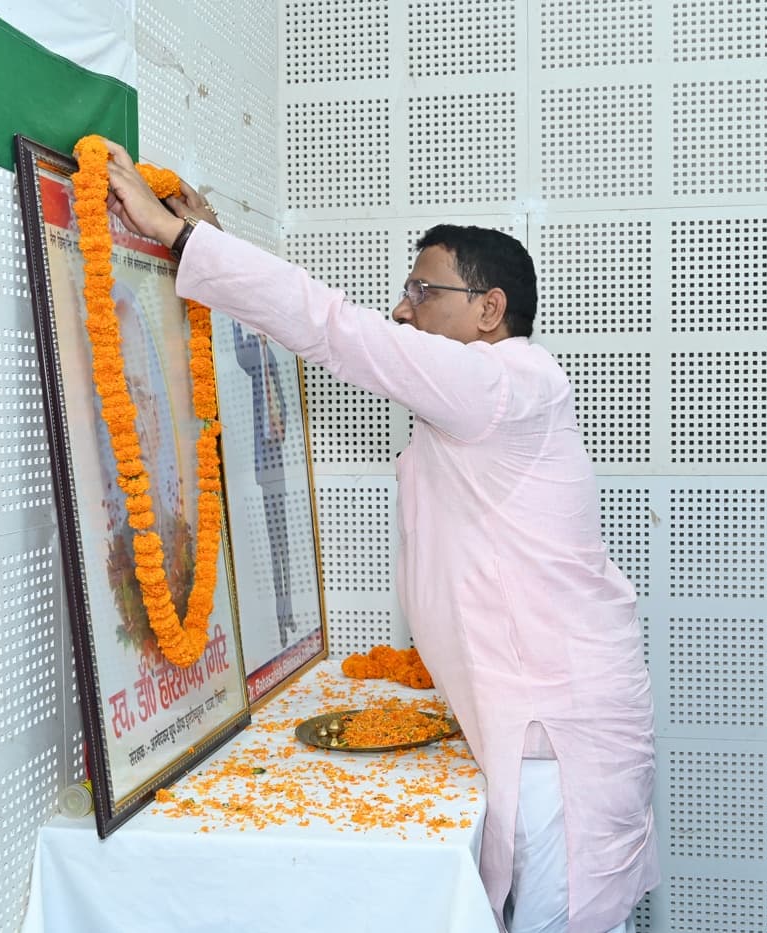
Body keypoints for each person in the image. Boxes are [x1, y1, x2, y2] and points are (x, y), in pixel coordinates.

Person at [102, 140, 658, 933]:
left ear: (488, 310)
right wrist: (214, 244)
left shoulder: (509, 383)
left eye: (422, 291)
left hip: (558, 748)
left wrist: (188, 243)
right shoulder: (471, 402)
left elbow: (339, 332)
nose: (402, 309)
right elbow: (323, 332)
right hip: (528, 726)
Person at [230, 319, 296, 649]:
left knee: (283, 538)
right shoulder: (250, 357)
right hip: (257, 460)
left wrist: (282, 421)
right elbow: (240, 354)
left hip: (277, 454)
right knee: (271, 540)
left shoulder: (269, 357)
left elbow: (281, 398)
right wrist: (240, 323)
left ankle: (288, 611)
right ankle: (280, 616)